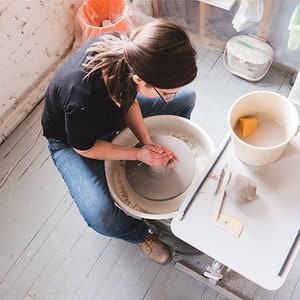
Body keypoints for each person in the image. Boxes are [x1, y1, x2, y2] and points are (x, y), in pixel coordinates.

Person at [41, 18, 197, 265]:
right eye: (166, 92)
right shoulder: (81, 96)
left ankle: (155, 140)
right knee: (102, 216)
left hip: (106, 115)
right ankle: (140, 235)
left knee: (187, 98)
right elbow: (87, 147)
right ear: (140, 80)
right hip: (73, 141)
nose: (170, 97)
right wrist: (138, 155)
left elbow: (128, 99)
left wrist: (146, 142)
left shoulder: (129, 56)